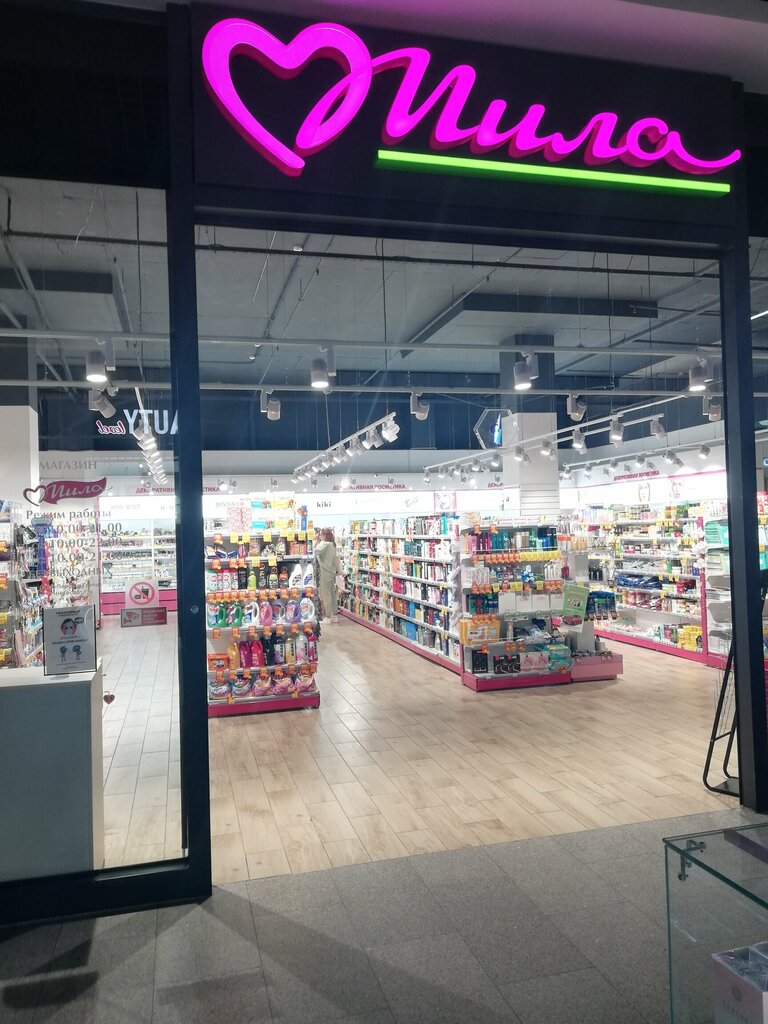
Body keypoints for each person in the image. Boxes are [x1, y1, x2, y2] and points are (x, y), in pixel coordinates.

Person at [314, 528, 342, 622]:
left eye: (320, 534)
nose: (319, 536)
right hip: (331, 571)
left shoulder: (324, 544)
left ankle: (328, 616)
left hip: (325, 572)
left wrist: (316, 541)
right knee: (332, 594)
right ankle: (334, 615)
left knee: (326, 594)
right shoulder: (332, 544)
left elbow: (315, 552)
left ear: (324, 536)